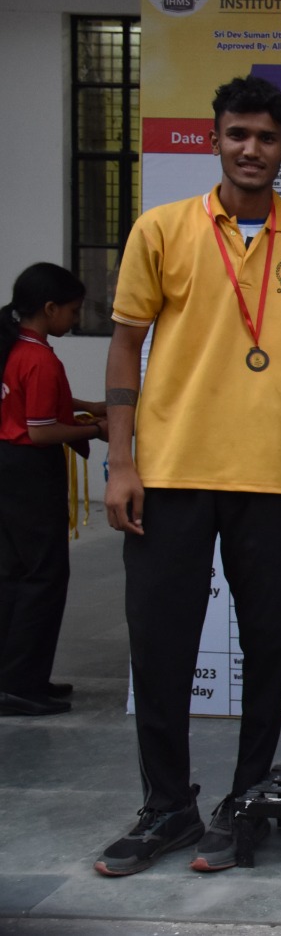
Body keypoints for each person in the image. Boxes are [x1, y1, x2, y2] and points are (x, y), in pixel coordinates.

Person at [97, 76, 281, 876]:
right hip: (169, 473)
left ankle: (247, 801)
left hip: (272, 477)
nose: (251, 149)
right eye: (237, 135)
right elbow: (124, 346)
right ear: (214, 139)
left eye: (266, 137)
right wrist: (121, 462)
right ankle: (167, 807)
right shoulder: (161, 229)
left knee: (268, 648)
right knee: (160, 648)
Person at [0, 263, 105, 717]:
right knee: (44, 576)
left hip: (7, 466)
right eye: (73, 310)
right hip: (30, 471)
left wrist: (85, 406)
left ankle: (15, 678)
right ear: (49, 308)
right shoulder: (40, 358)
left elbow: (35, 400)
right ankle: (22, 684)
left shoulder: (14, 346)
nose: (75, 319)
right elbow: (41, 430)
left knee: (13, 575)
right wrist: (97, 428)